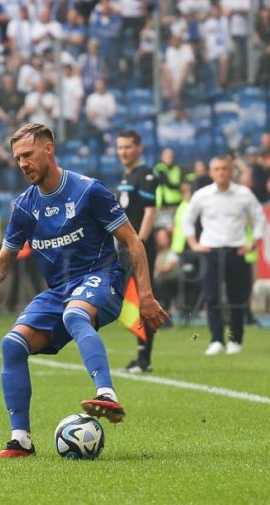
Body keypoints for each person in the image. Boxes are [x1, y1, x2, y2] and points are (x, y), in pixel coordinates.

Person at [0, 123, 168, 459]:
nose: (22, 164)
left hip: (103, 278)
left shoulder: (88, 191)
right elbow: (3, 262)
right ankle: (20, 440)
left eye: (27, 155)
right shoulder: (24, 206)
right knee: (12, 344)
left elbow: (132, 242)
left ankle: (106, 394)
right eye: (17, 159)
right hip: (60, 290)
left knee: (75, 313)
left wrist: (147, 296)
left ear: (48, 149)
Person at [183, 156, 265, 356]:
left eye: (224, 168)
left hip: (235, 251)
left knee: (237, 298)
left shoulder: (244, 194)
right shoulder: (202, 195)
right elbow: (187, 219)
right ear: (211, 172)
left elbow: (260, 217)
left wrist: (253, 243)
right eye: (217, 169)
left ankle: (235, 340)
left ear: (231, 171)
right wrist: (194, 243)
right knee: (212, 297)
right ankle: (216, 339)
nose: (221, 172)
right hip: (211, 251)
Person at [114, 129, 159, 373]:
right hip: (125, 247)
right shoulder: (126, 176)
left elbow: (151, 210)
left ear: (139, 148)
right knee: (131, 299)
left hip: (138, 247)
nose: (123, 152)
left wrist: (139, 241)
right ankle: (141, 355)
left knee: (143, 298)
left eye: (127, 147)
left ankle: (144, 358)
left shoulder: (146, 174)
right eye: (120, 147)